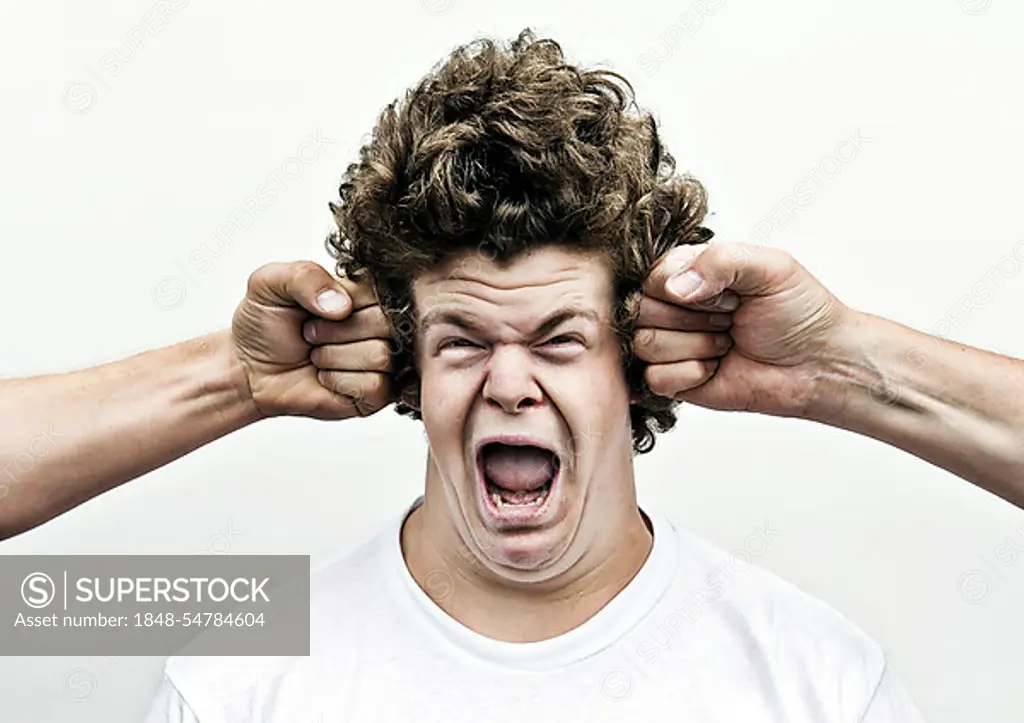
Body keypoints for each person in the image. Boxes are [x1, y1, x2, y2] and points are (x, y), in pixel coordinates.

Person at [136, 31, 940, 722]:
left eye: (559, 339)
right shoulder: (235, 689)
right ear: (405, 366)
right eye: (462, 341)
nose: (510, 384)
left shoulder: (821, 684)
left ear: (637, 361)